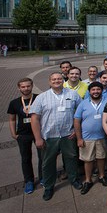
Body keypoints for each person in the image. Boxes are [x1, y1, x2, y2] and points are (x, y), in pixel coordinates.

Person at [30, 72, 83, 201]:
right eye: (54, 79)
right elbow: (34, 119)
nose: (57, 81)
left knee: (71, 158)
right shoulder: (42, 97)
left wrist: (76, 131)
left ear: (63, 80)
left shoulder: (72, 94)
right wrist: (38, 138)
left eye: (59, 79)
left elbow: (81, 112)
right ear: (49, 82)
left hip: (68, 135)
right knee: (48, 162)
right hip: (49, 137)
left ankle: (74, 179)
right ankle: (48, 186)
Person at [74, 81, 107, 195]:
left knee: (101, 157)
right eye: (93, 90)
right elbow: (76, 121)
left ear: (101, 91)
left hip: (102, 137)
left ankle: (101, 176)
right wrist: (79, 138)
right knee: (88, 159)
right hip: (87, 138)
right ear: (89, 91)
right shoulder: (83, 104)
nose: (96, 92)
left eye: (98, 89)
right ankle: (88, 180)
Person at [7, 77, 42, 194]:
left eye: (28, 86)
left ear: (32, 86)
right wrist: (13, 134)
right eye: (23, 87)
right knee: (26, 158)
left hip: (38, 132)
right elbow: (12, 119)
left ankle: (43, 177)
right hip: (23, 134)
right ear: (19, 88)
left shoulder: (39, 98)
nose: (26, 88)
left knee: (42, 156)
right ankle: (29, 181)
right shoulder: (14, 103)